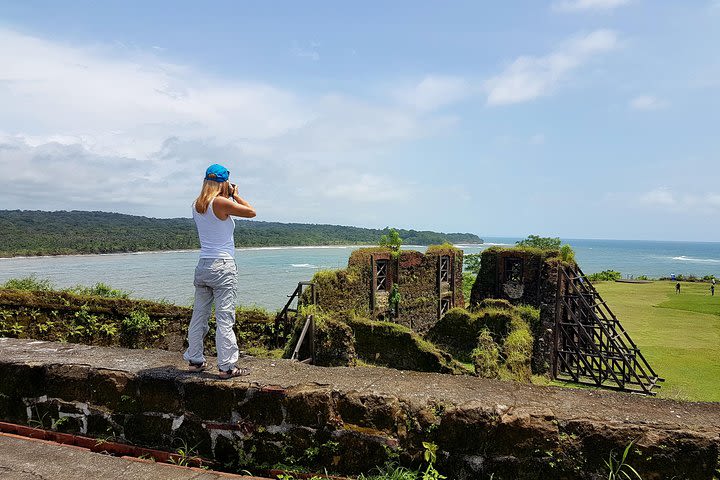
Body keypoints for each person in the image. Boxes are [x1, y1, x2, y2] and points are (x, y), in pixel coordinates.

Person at [184, 164, 256, 379]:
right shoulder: (222, 202)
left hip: (204, 265)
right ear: (224, 182)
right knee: (225, 317)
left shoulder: (197, 205)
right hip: (223, 266)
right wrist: (236, 195)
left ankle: (195, 360)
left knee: (199, 316)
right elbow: (251, 212)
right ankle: (227, 367)